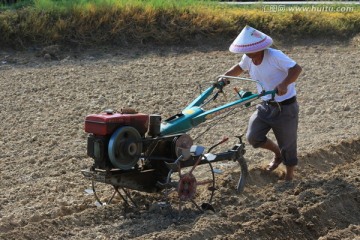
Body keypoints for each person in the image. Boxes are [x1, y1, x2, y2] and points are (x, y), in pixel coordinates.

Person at [220, 25, 302, 181]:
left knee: (288, 144)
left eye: (248, 50)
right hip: (266, 105)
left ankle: (289, 176)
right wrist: (224, 78)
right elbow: (239, 67)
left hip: (285, 107)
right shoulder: (248, 58)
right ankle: (277, 153)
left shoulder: (275, 56)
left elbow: (296, 69)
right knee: (253, 136)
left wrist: (284, 84)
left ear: (259, 47)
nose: (245, 53)